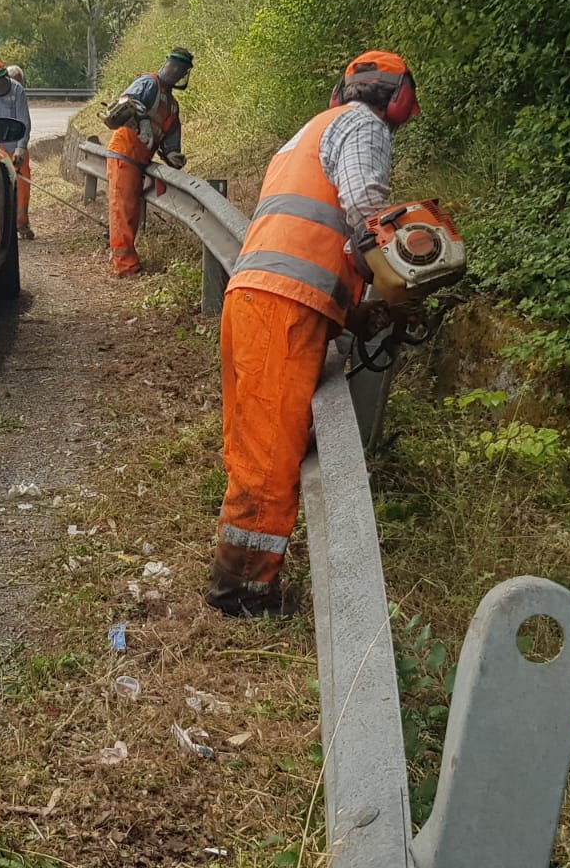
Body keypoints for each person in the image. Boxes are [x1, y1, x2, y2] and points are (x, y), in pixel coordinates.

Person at [205, 50, 418, 617]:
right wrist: (400, 274)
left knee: (252, 445)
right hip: (283, 308)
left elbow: (308, 238)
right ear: (398, 99)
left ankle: (239, 577)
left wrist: (353, 312)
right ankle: (243, 594)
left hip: (256, 297)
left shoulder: (308, 131)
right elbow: (365, 206)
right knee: (271, 458)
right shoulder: (362, 126)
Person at [102, 48, 192, 276]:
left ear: (184, 73)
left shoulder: (172, 106)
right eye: (172, 65)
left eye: (179, 69)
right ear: (166, 63)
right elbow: (126, 101)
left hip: (140, 160)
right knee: (122, 210)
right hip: (125, 152)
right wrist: (141, 122)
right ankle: (125, 266)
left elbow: (171, 139)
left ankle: (126, 261)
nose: (174, 71)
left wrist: (172, 155)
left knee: (130, 211)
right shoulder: (148, 83)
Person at [5, 65, 34, 239]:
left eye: (18, 81)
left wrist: (20, 149)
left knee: (23, 187)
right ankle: (6, 228)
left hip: (16, 148)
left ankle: (22, 223)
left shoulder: (18, 92)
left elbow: (25, 122)